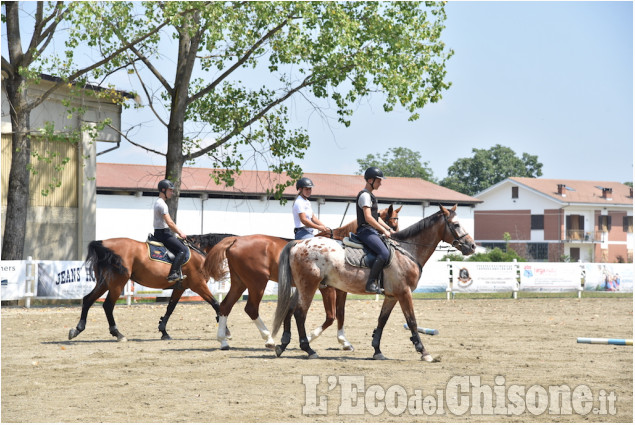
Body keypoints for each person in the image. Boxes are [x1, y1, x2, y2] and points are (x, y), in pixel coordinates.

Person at [356, 167, 395, 294]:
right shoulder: (365, 196)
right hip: (365, 231)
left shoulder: (371, 196)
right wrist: (383, 231)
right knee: (384, 253)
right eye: (379, 181)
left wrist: (389, 229)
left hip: (372, 231)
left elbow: (376, 217)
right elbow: (368, 218)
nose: (380, 183)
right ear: (370, 180)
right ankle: (370, 283)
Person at [153, 179, 188, 283]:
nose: (172, 193)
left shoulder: (159, 202)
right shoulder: (162, 204)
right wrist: (180, 232)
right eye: (170, 190)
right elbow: (170, 223)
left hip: (161, 232)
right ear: (163, 190)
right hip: (163, 234)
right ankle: (173, 274)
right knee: (183, 250)